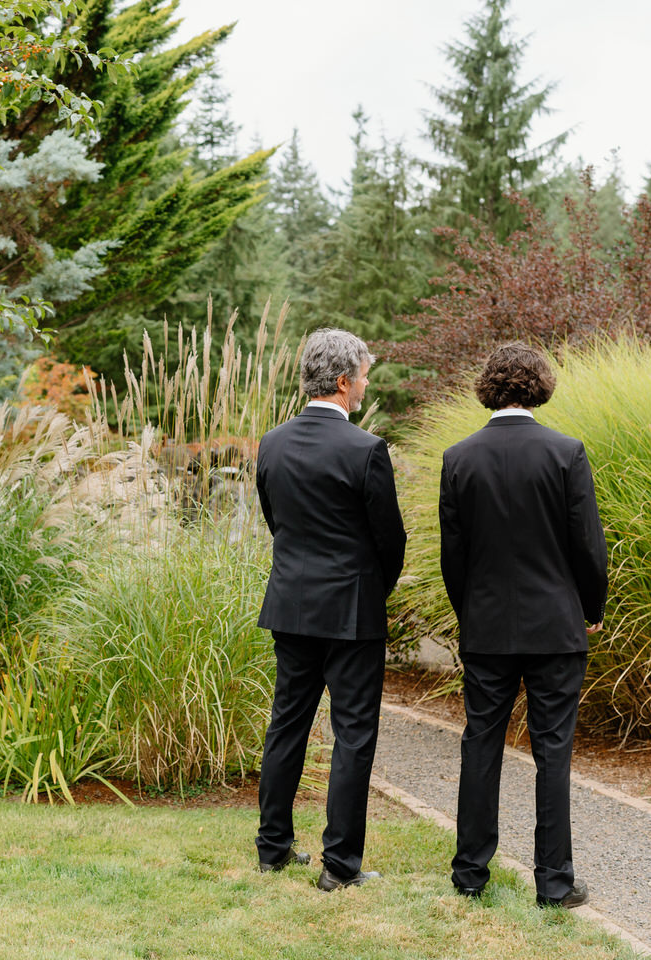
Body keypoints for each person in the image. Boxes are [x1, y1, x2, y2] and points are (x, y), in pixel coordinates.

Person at [438, 341, 608, 909]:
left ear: (489, 387)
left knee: (480, 745)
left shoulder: (459, 458)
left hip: (487, 629)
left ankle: (469, 875)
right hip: (555, 629)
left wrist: (472, 615)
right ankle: (554, 883)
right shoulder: (565, 453)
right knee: (553, 751)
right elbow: (588, 547)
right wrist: (591, 609)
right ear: (540, 386)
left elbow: (453, 557)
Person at [254, 328, 407, 892]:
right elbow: (390, 540)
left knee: (287, 726)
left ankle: (272, 848)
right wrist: (373, 588)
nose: (367, 384)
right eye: (364, 374)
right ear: (343, 382)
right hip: (352, 613)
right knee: (354, 735)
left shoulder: (271, 443)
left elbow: (277, 522)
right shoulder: (365, 450)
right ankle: (339, 867)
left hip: (291, 607)